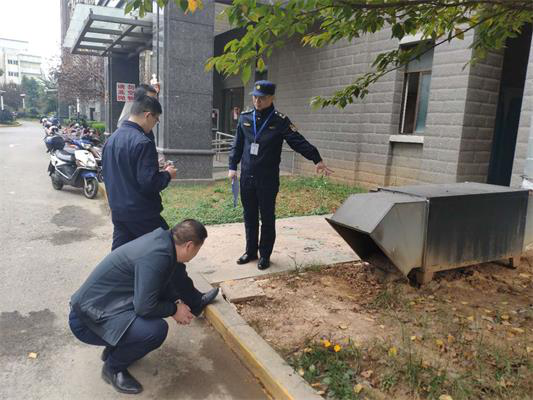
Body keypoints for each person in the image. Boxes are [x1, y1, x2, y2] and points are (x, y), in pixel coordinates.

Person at [69, 219, 215, 394]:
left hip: (103, 306)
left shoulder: (163, 243)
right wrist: (174, 310)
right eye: (198, 250)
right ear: (190, 246)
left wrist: (177, 302)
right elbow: (144, 307)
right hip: (86, 320)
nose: (196, 254)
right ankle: (113, 368)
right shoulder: (157, 256)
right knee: (155, 330)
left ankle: (115, 347)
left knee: (150, 319)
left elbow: (162, 281)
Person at [228, 80, 333, 270]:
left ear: (271, 98)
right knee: (249, 215)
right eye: (255, 97)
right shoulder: (244, 118)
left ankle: (265, 255)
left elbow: (297, 141)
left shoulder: (280, 120)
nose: (257, 102)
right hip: (247, 178)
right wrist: (232, 166)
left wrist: (316, 158)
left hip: (267, 179)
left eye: (262, 98)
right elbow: (237, 144)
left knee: (267, 217)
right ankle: (251, 251)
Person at [103, 95, 177, 251]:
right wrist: (168, 174)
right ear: (148, 115)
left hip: (118, 210)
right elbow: (150, 183)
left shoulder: (111, 140)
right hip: (141, 213)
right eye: (156, 120)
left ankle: (116, 276)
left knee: (120, 256)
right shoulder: (143, 143)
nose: (155, 124)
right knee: (167, 249)